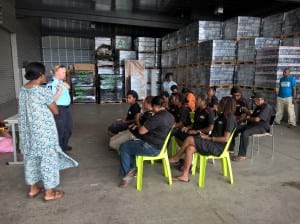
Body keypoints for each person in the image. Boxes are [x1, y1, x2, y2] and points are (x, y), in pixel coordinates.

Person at [18, 62, 78, 201]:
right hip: (43, 133)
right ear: (40, 75)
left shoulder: (23, 90)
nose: (45, 76)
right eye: (44, 73)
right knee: (48, 160)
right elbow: (55, 110)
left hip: (27, 132)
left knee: (30, 158)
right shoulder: (42, 91)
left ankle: (33, 189)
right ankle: (49, 193)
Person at [169, 96, 236, 182]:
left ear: (225, 105)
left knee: (190, 139)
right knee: (190, 148)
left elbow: (226, 139)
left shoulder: (230, 119)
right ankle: (184, 176)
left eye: (221, 103)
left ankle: (176, 157)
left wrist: (209, 138)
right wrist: (204, 135)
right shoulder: (222, 116)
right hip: (212, 142)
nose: (218, 105)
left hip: (218, 147)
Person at [118, 96, 174, 187]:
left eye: (153, 107)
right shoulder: (170, 115)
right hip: (162, 146)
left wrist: (139, 122)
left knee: (124, 147)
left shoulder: (157, 117)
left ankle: (126, 174)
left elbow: (141, 131)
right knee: (130, 145)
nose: (152, 109)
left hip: (151, 147)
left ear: (156, 106)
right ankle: (132, 169)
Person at [231, 93, 274, 161]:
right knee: (235, 128)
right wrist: (247, 112)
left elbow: (257, 119)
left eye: (254, 101)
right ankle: (230, 149)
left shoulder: (267, 107)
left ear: (260, 100)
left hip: (261, 127)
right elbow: (253, 117)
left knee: (245, 133)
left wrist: (246, 118)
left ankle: (242, 155)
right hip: (253, 125)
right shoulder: (258, 107)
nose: (253, 102)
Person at [46, 65, 73, 152]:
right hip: (59, 109)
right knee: (61, 130)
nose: (65, 74)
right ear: (56, 72)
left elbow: (67, 89)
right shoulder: (51, 84)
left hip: (66, 109)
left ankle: (64, 145)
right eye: (63, 72)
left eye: (65, 72)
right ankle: (60, 150)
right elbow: (50, 100)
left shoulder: (61, 82)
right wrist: (59, 92)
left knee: (68, 129)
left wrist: (67, 86)